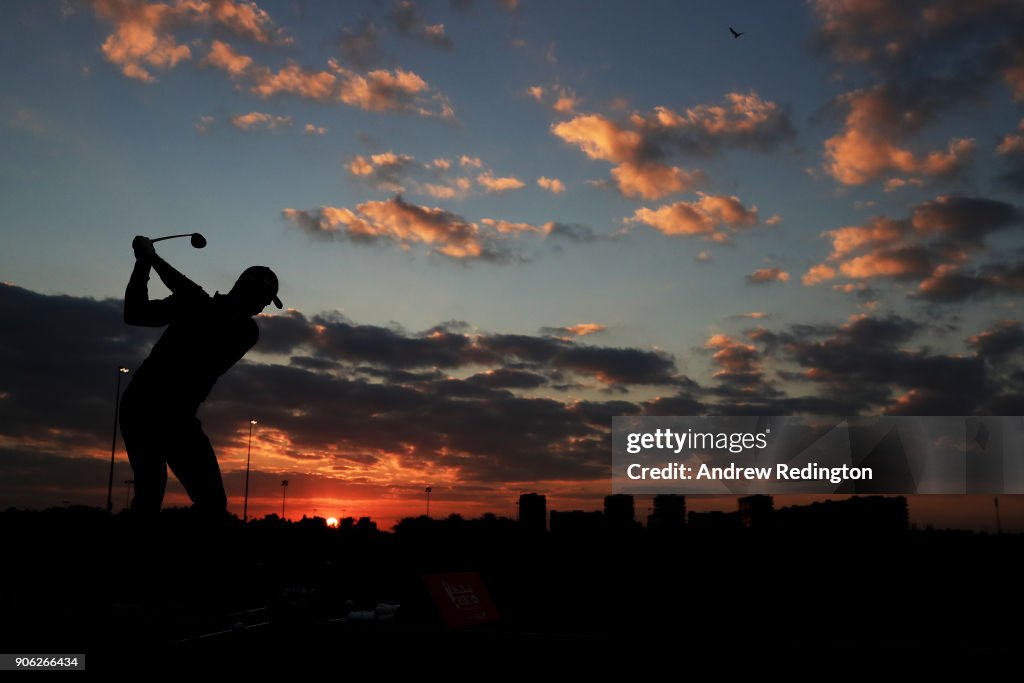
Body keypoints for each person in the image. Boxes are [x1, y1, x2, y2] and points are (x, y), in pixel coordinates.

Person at [119, 235, 281, 522]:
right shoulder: (196, 303)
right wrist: (144, 264)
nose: (263, 309)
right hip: (155, 410)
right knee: (167, 494)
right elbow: (135, 313)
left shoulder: (243, 331)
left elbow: (205, 307)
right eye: (265, 302)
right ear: (253, 297)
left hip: (156, 410)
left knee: (169, 496)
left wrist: (150, 260)